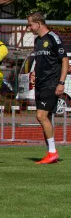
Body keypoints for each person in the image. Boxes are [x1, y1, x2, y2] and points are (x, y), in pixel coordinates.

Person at [27, 12, 68, 164]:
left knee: (41, 116)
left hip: (52, 83)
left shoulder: (53, 38)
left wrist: (61, 83)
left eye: (30, 25)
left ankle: (53, 152)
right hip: (40, 83)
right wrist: (33, 73)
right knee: (46, 118)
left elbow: (64, 61)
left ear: (38, 23)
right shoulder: (38, 41)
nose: (29, 28)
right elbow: (40, 62)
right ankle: (50, 153)